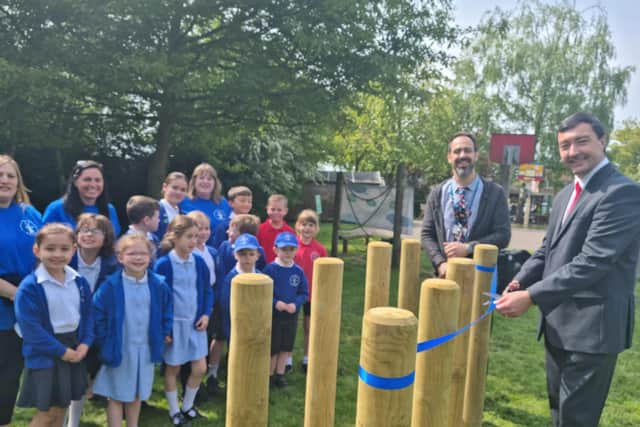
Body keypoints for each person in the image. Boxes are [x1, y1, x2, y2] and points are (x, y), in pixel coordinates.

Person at [495, 112, 640, 426]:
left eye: (581, 141)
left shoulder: (621, 193)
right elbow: (547, 249)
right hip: (558, 327)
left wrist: (531, 297)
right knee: (560, 414)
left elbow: (594, 261)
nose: (572, 151)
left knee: (577, 420)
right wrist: (519, 281)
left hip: (592, 331)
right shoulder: (564, 195)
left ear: (603, 140)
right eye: (564, 145)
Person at [15, 224, 93, 427]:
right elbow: (32, 330)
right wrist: (62, 351)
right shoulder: (30, 287)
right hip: (47, 353)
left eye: (64, 249)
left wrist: (85, 343)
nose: (57, 254)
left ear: (74, 250)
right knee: (48, 412)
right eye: (50, 249)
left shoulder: (79, 282)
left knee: (62, 408)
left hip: (74, 347)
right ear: (37, 250)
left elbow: (87, 316)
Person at [92, 234, 172, 427]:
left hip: (145, 349)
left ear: (150, 257)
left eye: (143, 253)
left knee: (136, 394)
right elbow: (98, 314)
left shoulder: (158, 284)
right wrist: (105, 340)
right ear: (120, 257)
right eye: (132, 253)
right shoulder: (111, 285)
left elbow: (167, 312)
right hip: (120, 347)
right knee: (116, 395)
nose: (138, 258)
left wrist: (162, 334)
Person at [421, 132, 511, 277]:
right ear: (449, 157)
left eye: (467, 150)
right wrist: (439, 263)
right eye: (457, 151)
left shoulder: (495, 193)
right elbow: (427, 234)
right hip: (445, 276)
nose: (462, 155)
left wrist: (469, 247)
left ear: (476, 155)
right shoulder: (437, 194)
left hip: (479, 278)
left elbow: (503, 235)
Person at [154, 215, 213, 426]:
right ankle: (174, 410)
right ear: (175, 237)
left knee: (200, 368)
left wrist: (206, 314)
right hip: (175, 325)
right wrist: (165, 328)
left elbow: (207, 291)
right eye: (189, 236)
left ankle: (187, 405)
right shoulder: (164, 264)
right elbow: (158, 299)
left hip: (195, 324)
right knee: (173, 368)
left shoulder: (198, 261)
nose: (193, 241)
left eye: (196, 237)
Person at [0, 155, 42, 427]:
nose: (4, 180)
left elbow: (46, 253)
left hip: (21, 313)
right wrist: (16, 294)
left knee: (9, 376)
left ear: (18, 182)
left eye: (10, 176)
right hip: (8, 300)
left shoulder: (30, 214)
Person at [67, 213, 118, 427]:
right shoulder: (65, 260)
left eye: (95, 230)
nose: (88, 234)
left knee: (87, 378)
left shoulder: (113, 266)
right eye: (84, 230)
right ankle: (70, 423)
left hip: (97, 330)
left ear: (106, 238)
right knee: (69, 380)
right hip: (67, 328)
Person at [264, 232, 308, 388]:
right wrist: (276, 303)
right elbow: (264, 293)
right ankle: (269, 376)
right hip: (274, 316)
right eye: (284, 249)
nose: (288, 253)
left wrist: (295, 304)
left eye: (291, 249)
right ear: (276, 250)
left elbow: (304, 293)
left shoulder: (298, 271)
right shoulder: (270, 269)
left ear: (296, 250)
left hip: (291, 316)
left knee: (286, 347)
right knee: (273, 348)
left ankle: (280, 376)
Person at [43, 160, 121, 236]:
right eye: (87, 179)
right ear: (75, 182)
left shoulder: (109, 209)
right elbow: (43, 240)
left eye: (97, 180)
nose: (93, 184)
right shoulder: (57, 208)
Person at [294, 209, 327, 373]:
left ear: (316, 228)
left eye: (311, 225)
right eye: (304, 224)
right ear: (298, 226)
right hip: (292, 293)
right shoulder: (291, 247)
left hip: (312, 294)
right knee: (290, 326)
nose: (307, 228)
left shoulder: (320, 250)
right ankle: (286, 359)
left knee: (309, 327)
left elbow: (326, 273)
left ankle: (307, 358)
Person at [181, 163, 231, 243]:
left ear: (215, 183)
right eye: (201, 178)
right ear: (194, 181)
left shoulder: (223, 203)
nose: (205, 181)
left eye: (209, 179)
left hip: (218, 252)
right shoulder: (183, 201)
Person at [258, 194, 295, 264]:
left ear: (285, 211)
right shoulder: (260, 229)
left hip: (282, 268)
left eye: (279, 210)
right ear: (267, 209)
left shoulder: (290, 232)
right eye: (272, 209)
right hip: (262, 268)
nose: (275, 212)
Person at [156, 172, 189, 241]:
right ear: (165, 187)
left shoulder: (185, 215)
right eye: (175, 188)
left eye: (183, 190)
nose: (178, 192)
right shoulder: (154, 210)